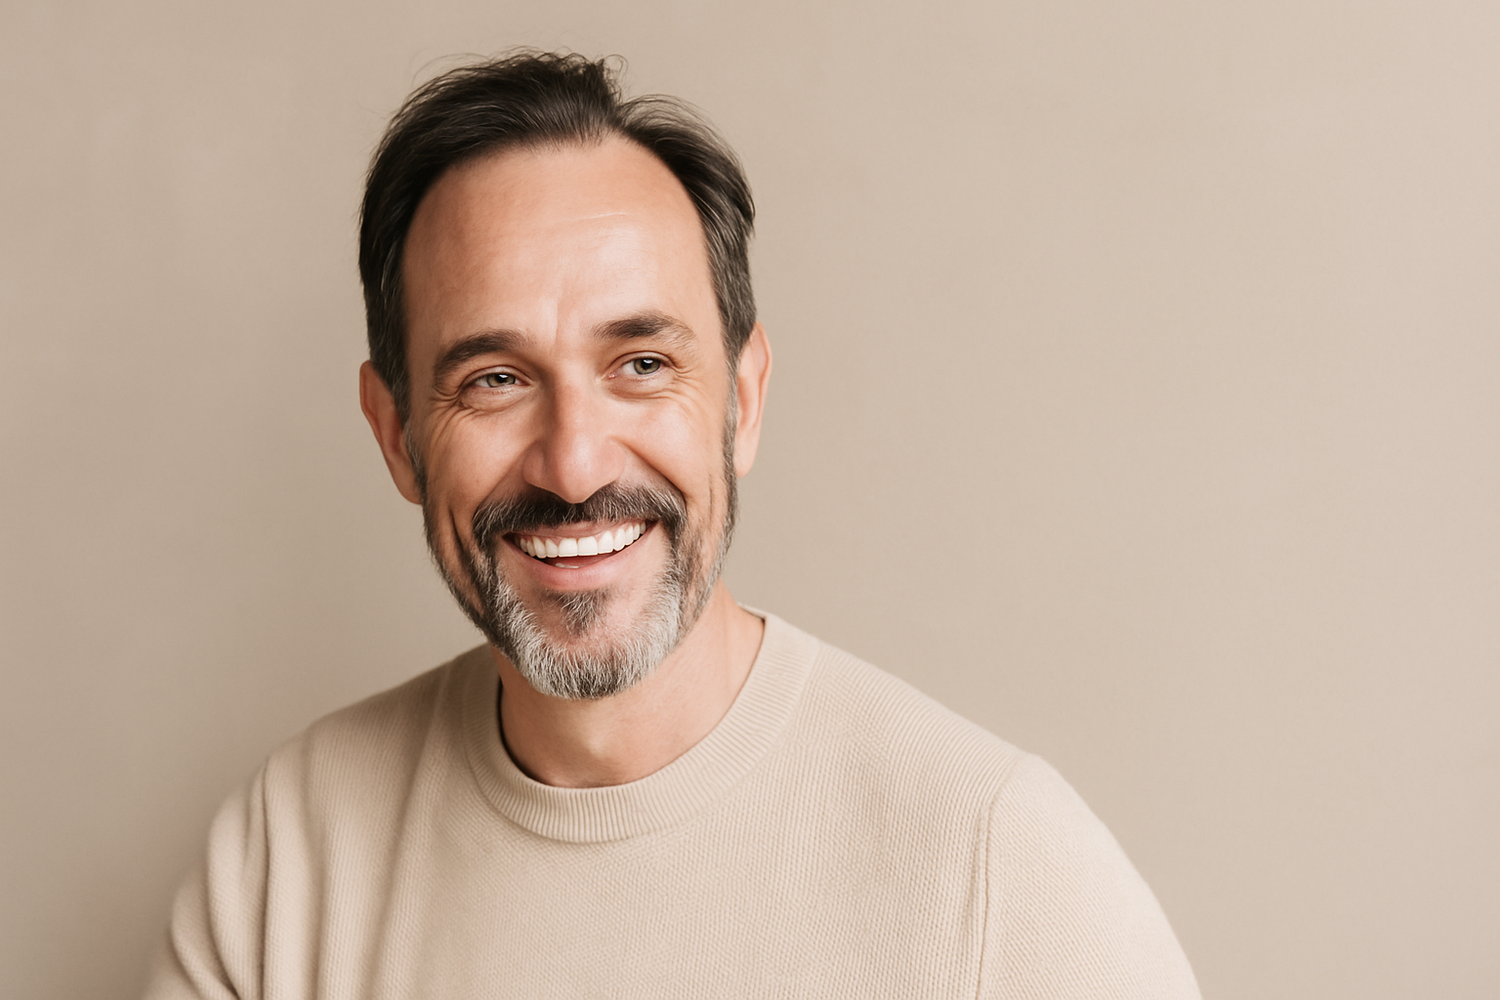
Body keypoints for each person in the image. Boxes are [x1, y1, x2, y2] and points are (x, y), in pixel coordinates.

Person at [143, 52, 1200, 999]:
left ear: (740, 402)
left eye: (640, 364)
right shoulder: (286, 860)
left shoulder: (995, 864)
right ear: (396, 435)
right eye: (495, 379)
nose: (574, 462)